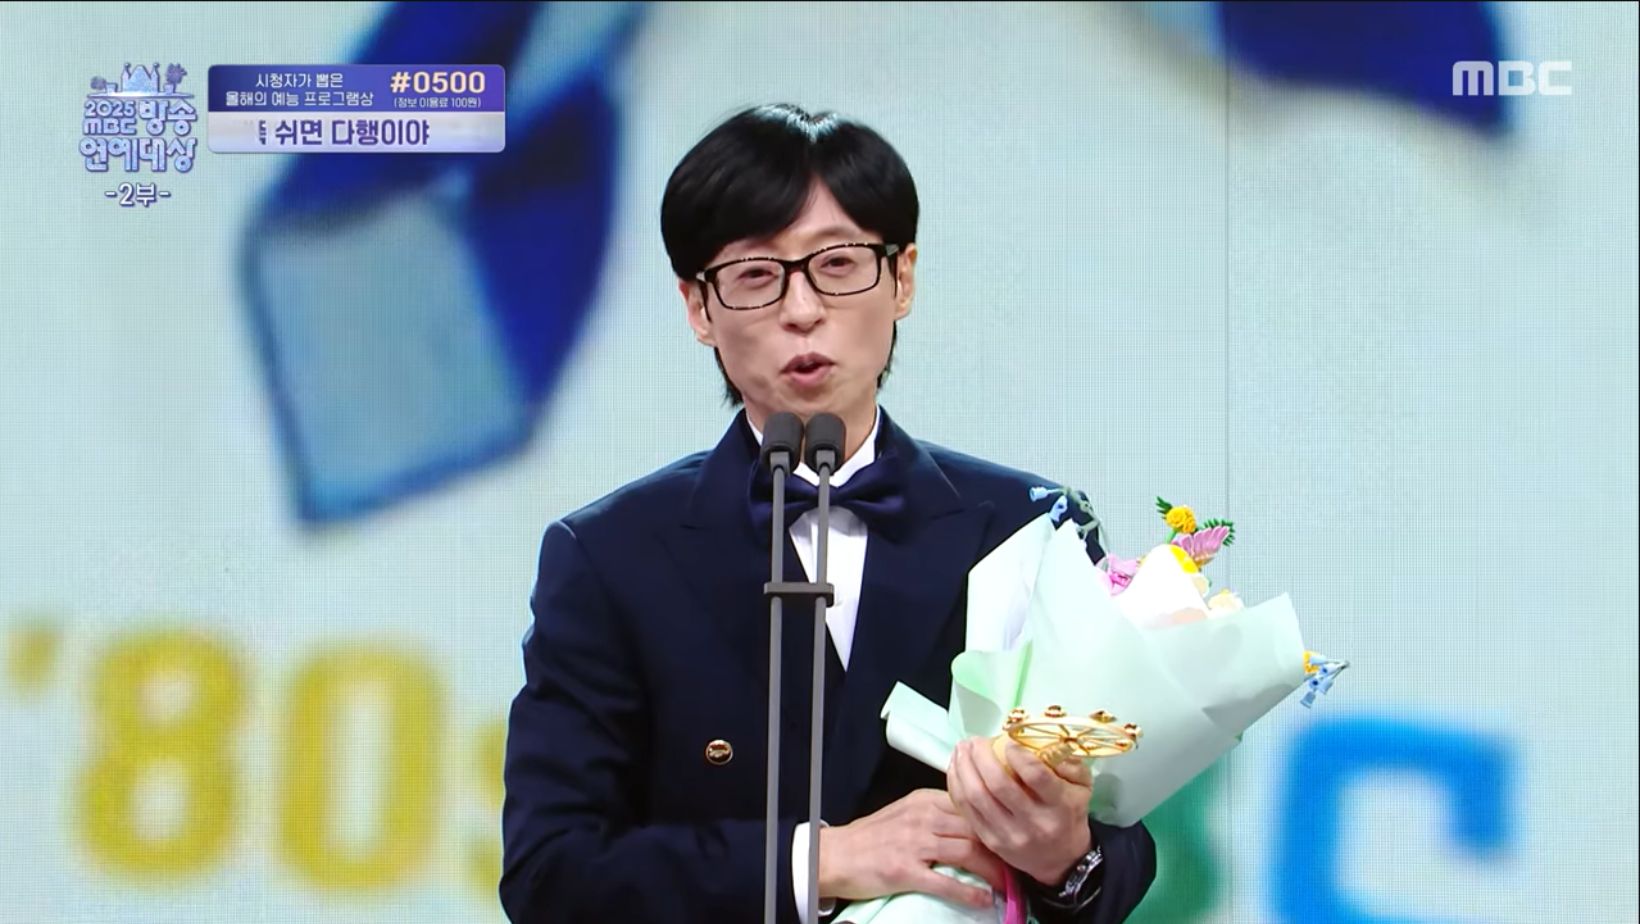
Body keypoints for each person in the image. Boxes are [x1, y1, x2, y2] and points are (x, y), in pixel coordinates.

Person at [500, 103, 1156, 924]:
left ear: (902, 278)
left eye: (838, 265)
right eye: (755, 275)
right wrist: (818, 861)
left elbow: (1123, 845)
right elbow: (551, 874)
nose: (802, 309)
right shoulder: (610, 558)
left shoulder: (1029, 527)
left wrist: (1064, 854)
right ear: (698, 307)